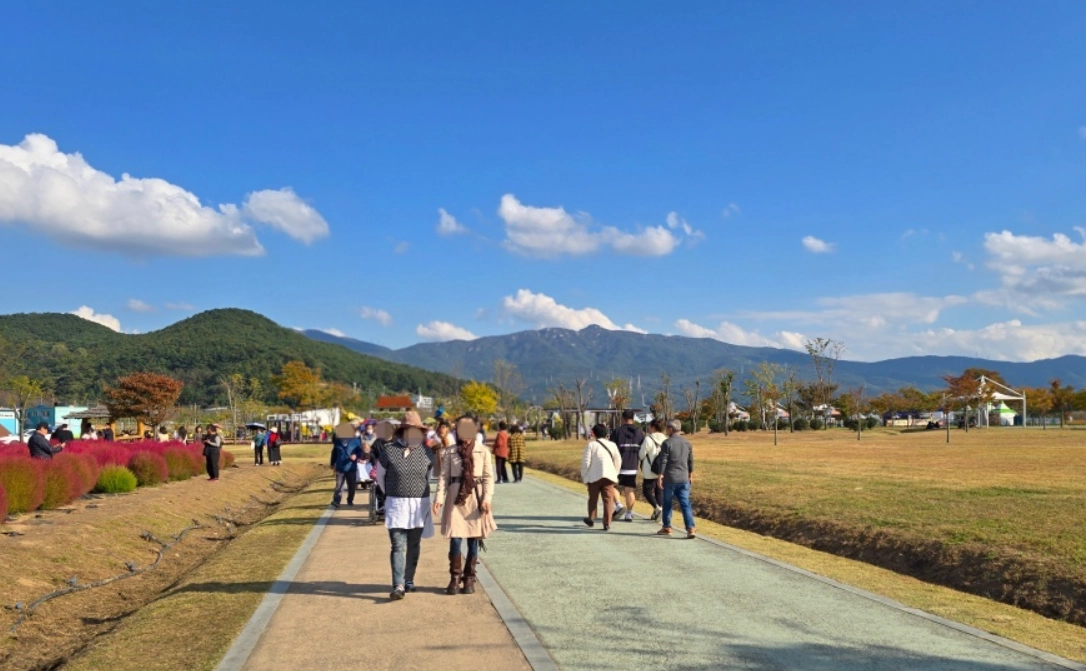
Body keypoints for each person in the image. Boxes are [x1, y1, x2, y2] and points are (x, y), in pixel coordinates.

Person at [374, 411, 436, 600]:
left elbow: (428, 477)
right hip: (397, 504)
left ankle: (409, 579)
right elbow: (380, 478)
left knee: (414, 543)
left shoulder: (427, 452)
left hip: (419, 504)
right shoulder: (389, 450)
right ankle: (398, 584)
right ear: (403, 431)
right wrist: (391, 493)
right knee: (398, 545)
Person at [433, 417, 497, 595]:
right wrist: (438, 498)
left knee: (473, 540)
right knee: (455, 538)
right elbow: (444, 477)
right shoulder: (450, 451)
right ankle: (455, 577)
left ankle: (469, 578)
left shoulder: (482, 451)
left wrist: (487, 499)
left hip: (475, 498)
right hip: (455, 498)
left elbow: (488, 478)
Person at [656, 419, 695, 538]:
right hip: (683, 478)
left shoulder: (667, 443)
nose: (666, 430)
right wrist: (690, 474)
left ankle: (667, 526)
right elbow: (690, 460)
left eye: (667, 428)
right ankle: (690, 528)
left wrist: (660, 475)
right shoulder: (687, 443)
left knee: (667, 503)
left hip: (670, 478)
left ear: (671, 429)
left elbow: (663, 460)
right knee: (685, 504)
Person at [581, 424, 620, 531]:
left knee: (593, 498)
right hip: (609, 476)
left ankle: (592, 518)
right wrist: (615, 473)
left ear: (594, 433)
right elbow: (618, 461)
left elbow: (586, 462)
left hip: (594, 476)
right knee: (608, 500)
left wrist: (584, 476)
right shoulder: (612, 445)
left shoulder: (591, 445)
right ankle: (607, 523)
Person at [610, 409, 644, 521]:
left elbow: (611, 449)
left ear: (622, 418)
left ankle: (619, 505)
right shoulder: (639, 432)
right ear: (633, 419)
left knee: (612, 486)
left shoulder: (617, 431)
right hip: (633, 466)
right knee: (629, 490)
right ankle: (629, 514)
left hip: (618, 465)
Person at [638, 418, 666, 521]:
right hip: (661, 471)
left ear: (653, 427)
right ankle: (659, 509)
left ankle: (657, 508)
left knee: (646, 491)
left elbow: (641, 455)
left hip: (649, 470)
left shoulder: (648, 439)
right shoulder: (666, 439)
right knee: (659, 491)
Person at [330, 423, 363, 507]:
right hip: (340, 466)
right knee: (339, 485)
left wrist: (356, 455)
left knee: (351, 486)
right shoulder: (338, 441)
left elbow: (360, 451)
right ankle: (336, 500)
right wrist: (332, 463)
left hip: (351, 467)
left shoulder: (356, 440)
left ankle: (350, 500)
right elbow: (334, 452)